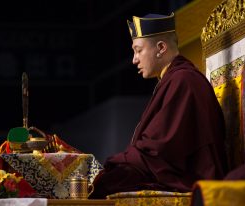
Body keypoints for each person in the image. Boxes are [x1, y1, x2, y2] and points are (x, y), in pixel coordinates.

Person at [89, 13, 228, 199]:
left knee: (103, 184)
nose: (134, 59)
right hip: (171, 171)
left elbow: (160, 150)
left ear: (161, 48)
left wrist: (117, 161)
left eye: (138, 50)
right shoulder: (172, 79)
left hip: (191, 180)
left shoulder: (184, 80)